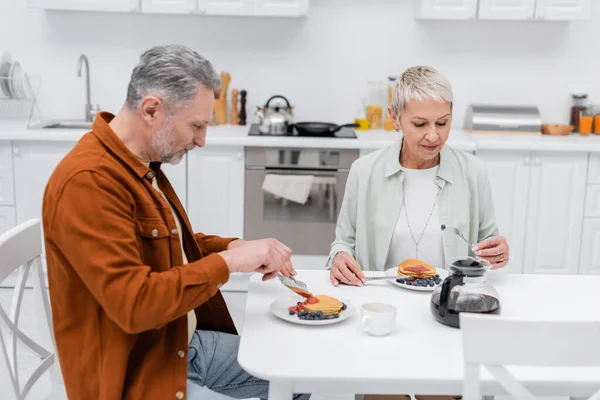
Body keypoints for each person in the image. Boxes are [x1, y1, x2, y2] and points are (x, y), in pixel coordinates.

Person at [42, 44, 307, 400]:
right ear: (151, 109)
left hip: (180, 345)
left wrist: (232, 247)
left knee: (299, 377)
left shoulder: (137, 163)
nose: (201, 140)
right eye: (196, 125)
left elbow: (167, 244)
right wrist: (227, 264)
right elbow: (135, 304)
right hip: (140, 376)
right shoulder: (89, 182)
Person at [328, 65, 509, 287]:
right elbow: (343, 243)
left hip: (448, 301)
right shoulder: (363, 171)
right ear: (395, 118)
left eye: (442, 122)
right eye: (420, 124)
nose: (433, 135)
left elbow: (487, 245)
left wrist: (496, 254)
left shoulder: (473, 172)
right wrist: (339, 257)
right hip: (381, 303)